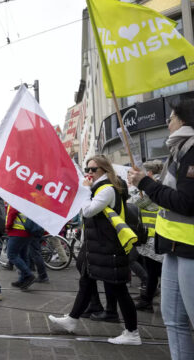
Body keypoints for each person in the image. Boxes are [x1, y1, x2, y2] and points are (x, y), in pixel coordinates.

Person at [49, 155, 141, 345]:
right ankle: (72, 320)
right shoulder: (98, 188)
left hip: (108, 247)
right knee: (86, 281)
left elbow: (89, 211)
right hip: (97, 246)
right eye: (87, 169)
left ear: (105, 171)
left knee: (119, 289)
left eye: (93, 169)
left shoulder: (106, 189)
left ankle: (132, 333)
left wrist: (83, 190)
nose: (89, 173)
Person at [128, 99, 194, 359]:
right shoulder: (179, 151)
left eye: (171, 118)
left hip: (190, 248)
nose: (168, 123)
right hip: (173, 246)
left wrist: (146, 183)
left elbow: (187, 203)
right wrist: (147, 184)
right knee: (173, 320)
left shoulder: (190, 151)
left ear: (183, 120)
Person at [130, 160, 164, 312]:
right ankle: (147, 297)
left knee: (154, 271)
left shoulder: (153, 187)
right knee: (154, 271)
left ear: (149, 173)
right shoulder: (160, 184)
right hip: (155, 236)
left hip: (153, 237)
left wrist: (140, 186)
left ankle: (147, 300)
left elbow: (134, 203)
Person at [5, 205, 36, 290]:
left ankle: (28, 275)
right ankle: (22, 280)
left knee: (11, 255)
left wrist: (7, 227)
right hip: (27, 231)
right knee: (23, 256)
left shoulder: (15, 198)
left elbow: (12, 213)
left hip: (17, 231)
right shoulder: (28, 199)